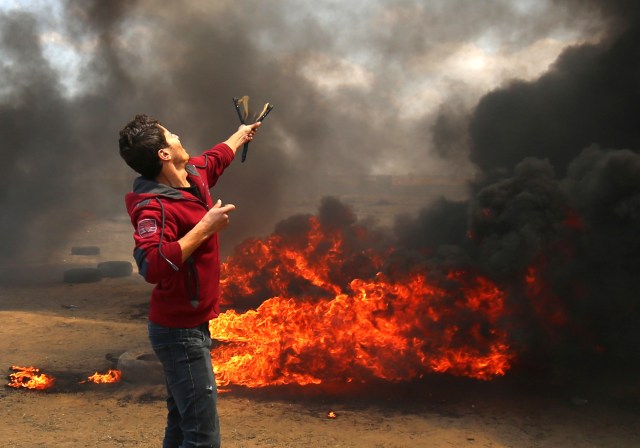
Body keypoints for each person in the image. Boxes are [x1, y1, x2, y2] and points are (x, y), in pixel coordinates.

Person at [118, 114, 260, 448]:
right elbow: (151, 265)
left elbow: (216, 158)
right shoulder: (152, 207)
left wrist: (240, 134)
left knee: (182, 425)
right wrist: (205, 228)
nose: (178, 135)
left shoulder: (190, 175)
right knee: (202, 437)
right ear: (163, 155)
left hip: (193, 326)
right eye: (170, 135)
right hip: (178, 333)